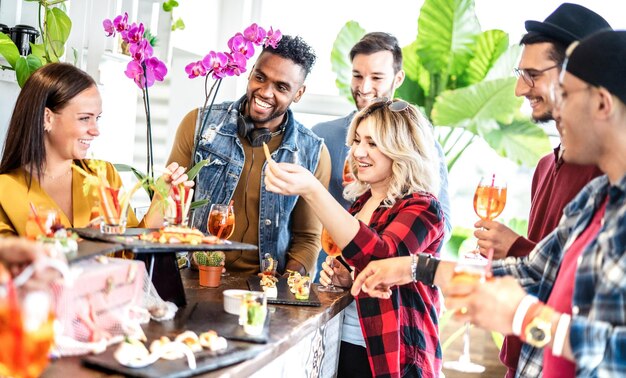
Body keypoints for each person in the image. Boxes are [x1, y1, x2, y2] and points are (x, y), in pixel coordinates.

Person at [353, 30, 626, 377]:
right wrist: (415, 268)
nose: (558, 109)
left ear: (602, 104)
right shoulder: (597, 198)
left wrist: (525, 319)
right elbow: (531, 271)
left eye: (567, 95)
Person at [472, 4, 611, 375]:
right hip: (527, 356)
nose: (519, 89)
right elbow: (540, 269)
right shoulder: (546, 166)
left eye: (532, 75)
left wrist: (513, 248)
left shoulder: (606, 177)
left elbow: (581, 290)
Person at [265, 99, 445, 377]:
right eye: (358, 140)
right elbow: (367, 271)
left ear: (401, 149)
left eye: (373, 143)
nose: (358, 151)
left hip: (395, 356)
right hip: (346, 343)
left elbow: (382, 259)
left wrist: (314, 190)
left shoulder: (423, 207)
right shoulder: (361, 204)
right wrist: (349, 279)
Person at [167, 35, 330, 276]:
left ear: (299, 93)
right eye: (260, 77)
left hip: (264, 291)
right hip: (196, 276)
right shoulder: (199, 125)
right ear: (250, 72)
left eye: (282, 87)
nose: (265, 92)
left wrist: (283, 288)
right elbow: (170, 209)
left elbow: (307, 238)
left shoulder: (313, 153)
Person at [312, 32, 451, 282]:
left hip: (387, 295)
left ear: (398, 78)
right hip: (330, 286)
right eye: (357, 76)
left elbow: (438, 230)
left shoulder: (425, 155)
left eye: (376, 77)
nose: (364, 88)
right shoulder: (321, 136)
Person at [0, 63, 190, 237]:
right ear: (47, 118)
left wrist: (161, 197)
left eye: (97, 118)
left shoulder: (103, 175)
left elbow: (131, 252)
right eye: (84, 118)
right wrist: (87, 242)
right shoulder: (5, 190)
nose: (95, 130)